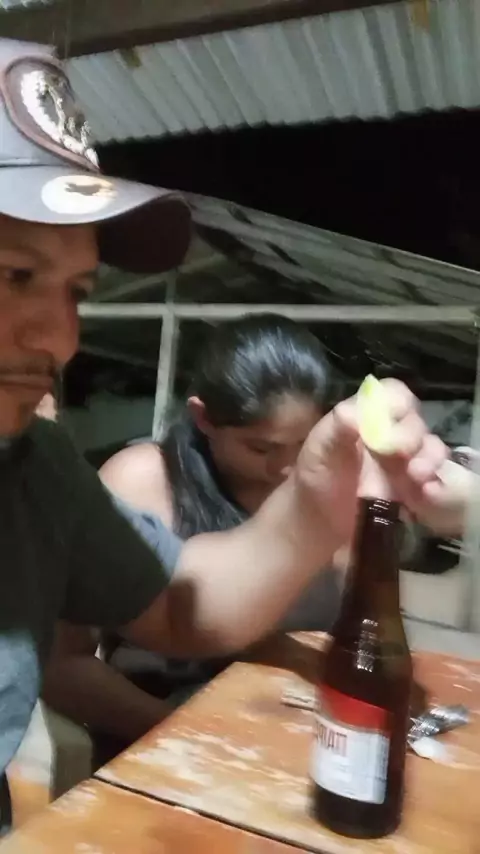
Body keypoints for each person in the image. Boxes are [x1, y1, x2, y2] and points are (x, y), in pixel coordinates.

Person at [0, 36, 452, 836]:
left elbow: (177, 606)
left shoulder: (35, 467)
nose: (61, 340)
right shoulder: (132, 468)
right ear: (204, 417)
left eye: (76, 291)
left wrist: (318, 496)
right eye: (15, 274)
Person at [42, 315, 348, 747]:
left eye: (305, 443)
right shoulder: (144, 482)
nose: (286, 468)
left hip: (290, 736)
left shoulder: (326, 491)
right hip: (159, 737)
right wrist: (195, 736)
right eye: (261, 447)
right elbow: (61, 665)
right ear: (203, 418)